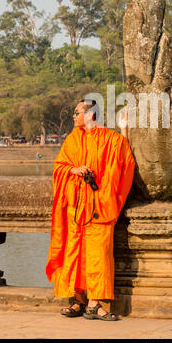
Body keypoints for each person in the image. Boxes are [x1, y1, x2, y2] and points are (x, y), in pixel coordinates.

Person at [46, 99, 135, 321]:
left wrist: (124, 128)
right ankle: (79, 300)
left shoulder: (109, 138)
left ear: (90, 115)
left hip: (99, 207)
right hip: (75, 209)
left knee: (99, 255)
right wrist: (73, 170)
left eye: (77, 113)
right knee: (74, 253)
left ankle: (96, 303)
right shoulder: (72, 139)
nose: (74, 117)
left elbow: (123, 161)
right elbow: (59, 166)